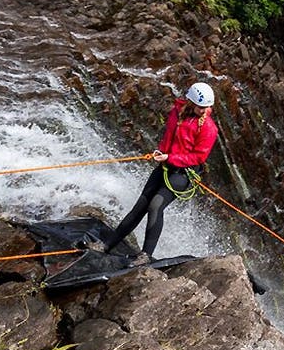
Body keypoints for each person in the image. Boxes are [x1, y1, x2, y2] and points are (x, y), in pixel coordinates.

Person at [88, 82, 219, 265]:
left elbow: (198, 157)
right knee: (141, 205)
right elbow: (169, 136)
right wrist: (162, 152)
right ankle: (107, 245)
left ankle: (145, 255)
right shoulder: (177, 112)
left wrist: (170, 157)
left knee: (155, 205)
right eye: (200, 107)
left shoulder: (208, 128)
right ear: (190, 102)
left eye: (207, 107)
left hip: (182, 173)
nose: (204, 111)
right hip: (165, 165)